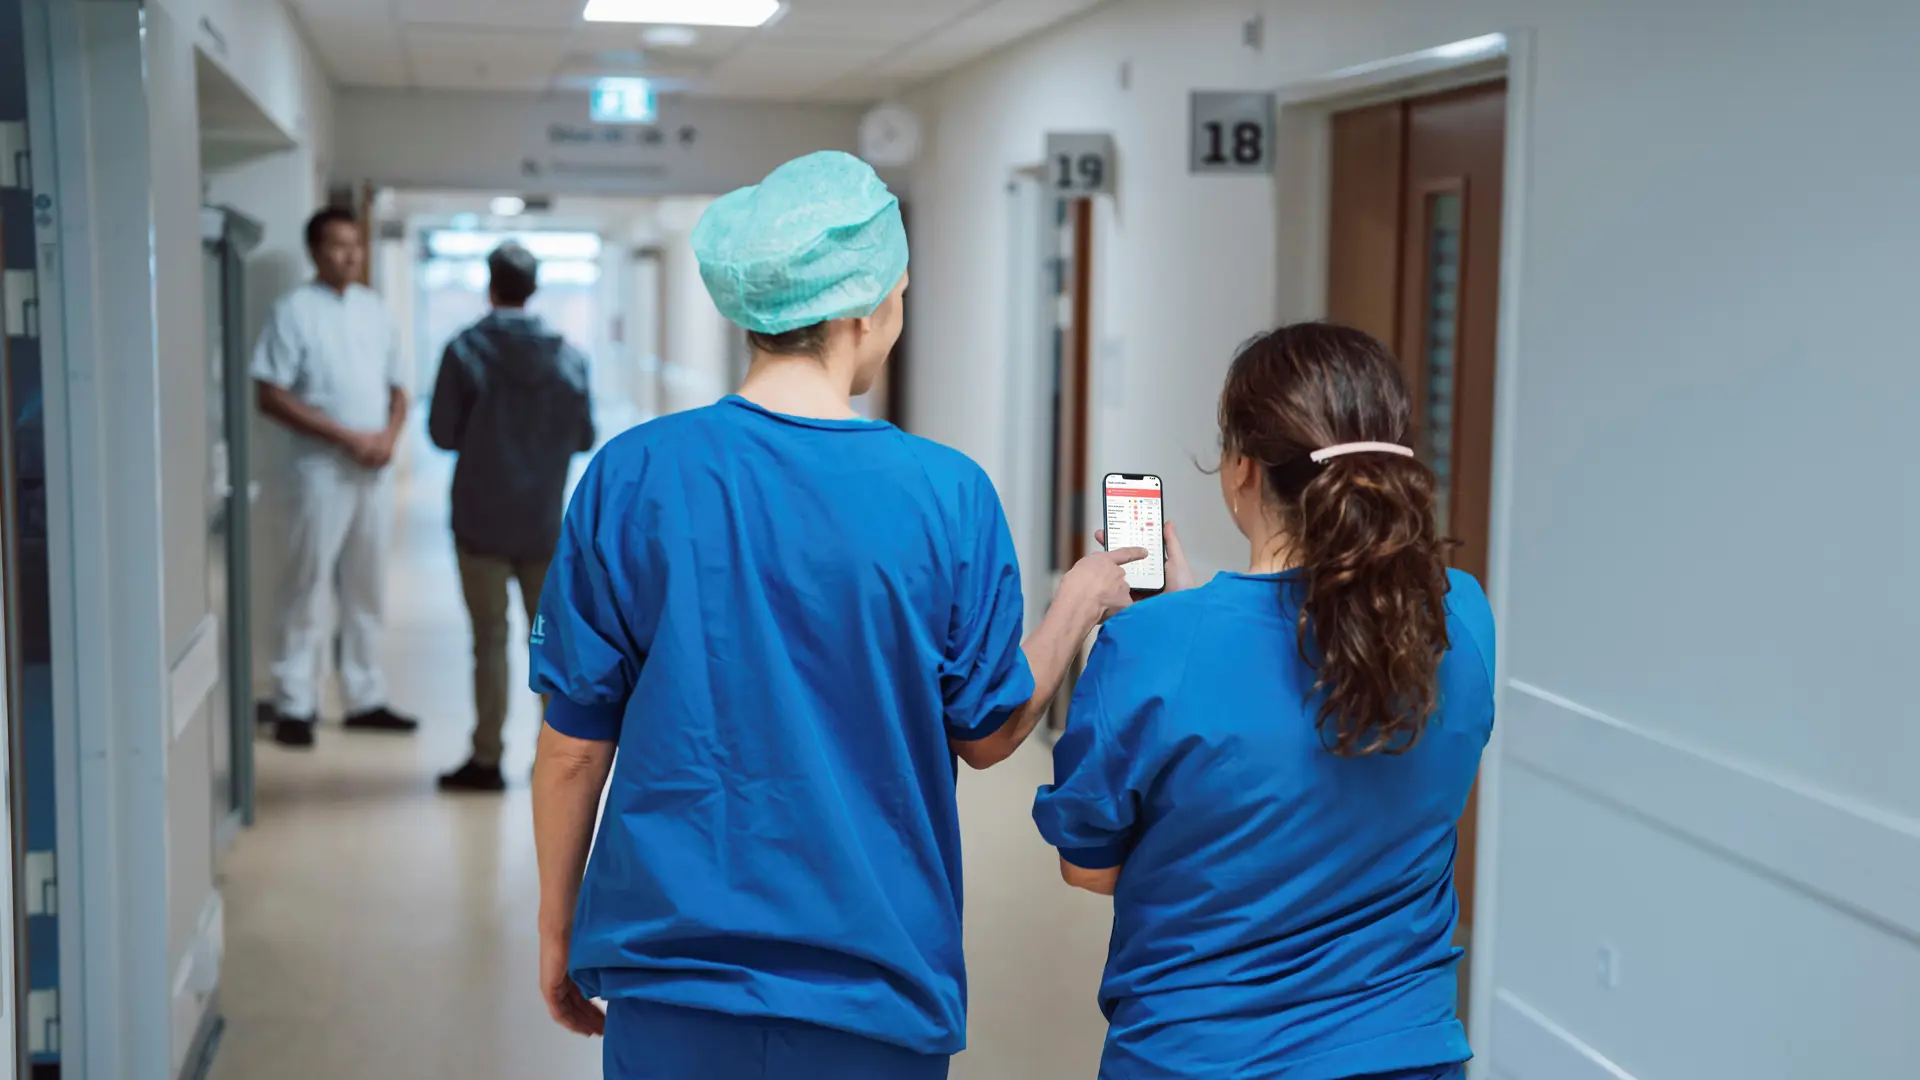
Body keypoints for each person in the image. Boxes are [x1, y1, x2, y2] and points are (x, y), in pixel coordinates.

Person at [527, 150, 1143, 1079]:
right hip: (875, 989)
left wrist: (558, 933)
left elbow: (574, 747)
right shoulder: (946, 495)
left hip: (672, 978)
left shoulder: (634, 474)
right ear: (866, 308)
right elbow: (987, 731)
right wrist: (1081, 601)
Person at [1034, 322, 1496, 1080]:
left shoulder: (1153, 650)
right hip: (1404, 1059)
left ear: (1242, 468)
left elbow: (1090, 868)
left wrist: (1174, 629)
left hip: (1201, 1062)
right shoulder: (1461, 619)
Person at [428, 241, 596, 792]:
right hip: (543, 522)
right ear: (533, 288)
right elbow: (584, 436)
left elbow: (441, 433)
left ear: (491, 285)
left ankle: (485, 757)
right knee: (547, 645)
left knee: (489, 639)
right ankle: (551, 760)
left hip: (479, 519)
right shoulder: (569, 357)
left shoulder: (464, 351)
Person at [252, 207, 419, 748]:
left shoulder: (374, 310)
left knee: (366, 585)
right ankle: (294, 701)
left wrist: (388, 437)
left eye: (356, 245)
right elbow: (270, 394)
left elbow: (399, 387)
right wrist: (347, 437)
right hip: (319, 469)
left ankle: (364, 695)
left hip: (372, 468)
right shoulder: (293, 311)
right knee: (306, 583)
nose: (350, 254)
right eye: (337, 245)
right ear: (315, 252)